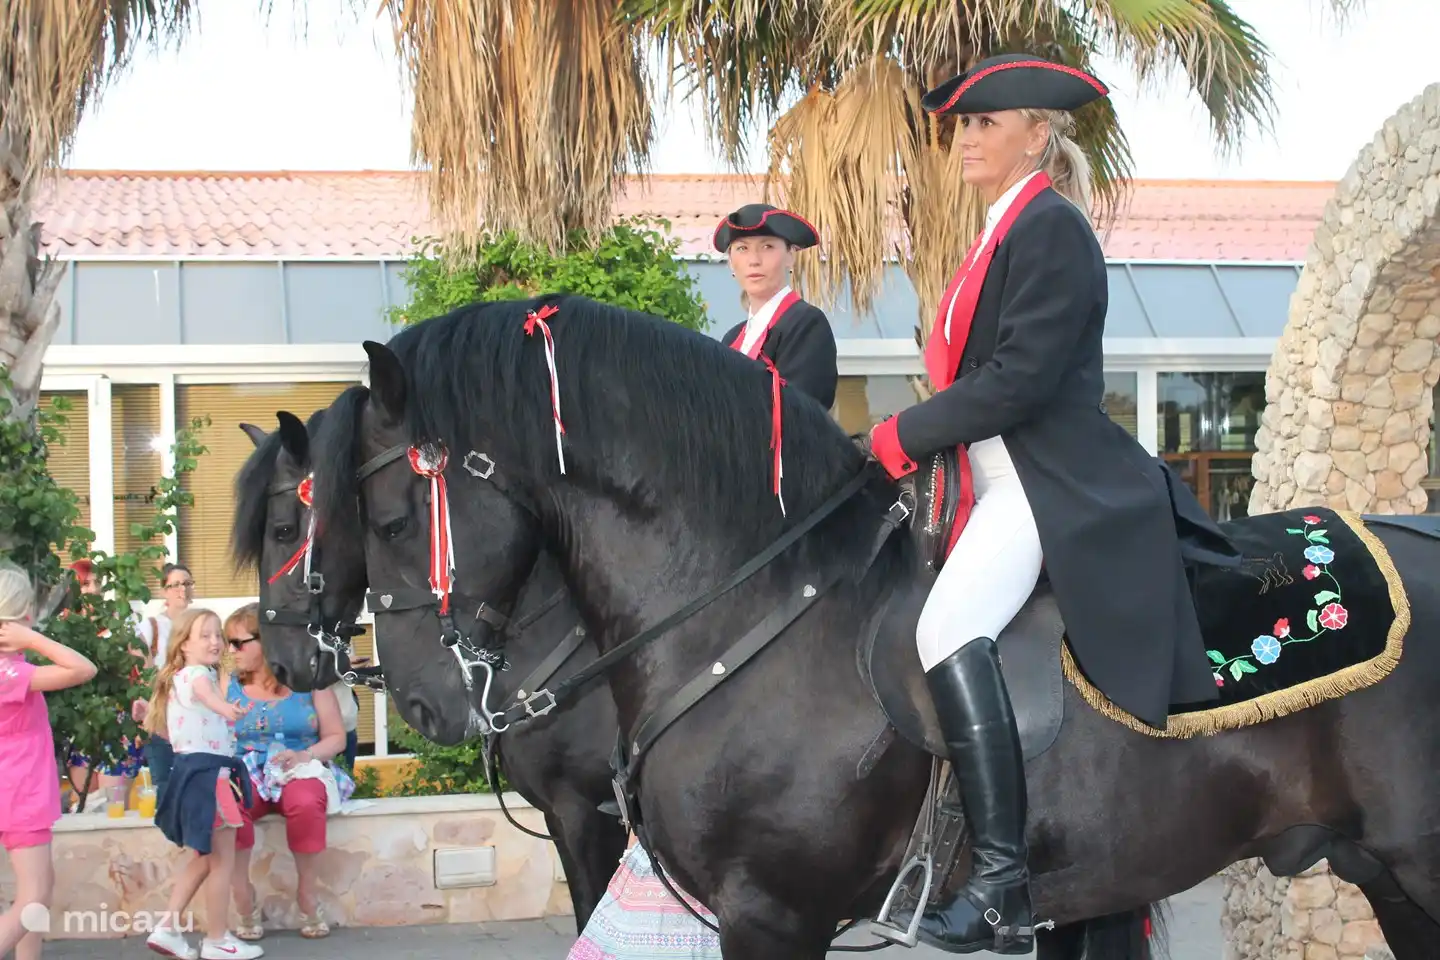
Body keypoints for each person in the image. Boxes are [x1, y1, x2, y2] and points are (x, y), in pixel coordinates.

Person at [864, 54, 1241, 953]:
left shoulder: (1051, 229)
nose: (966, 138)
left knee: (947, 630)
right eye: (961, 125)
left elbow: (1020, 380)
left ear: (1037, 134)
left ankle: (999, 881)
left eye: (986, 123)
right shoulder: (1000, 229)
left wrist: (895, 438)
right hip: (987, 476)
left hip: (1044, 478)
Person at [224, 603, 352, 942]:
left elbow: (336, 737)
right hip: (245, 766)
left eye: (239, 642)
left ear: (266, 642)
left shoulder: (308, 682)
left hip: (299, 764)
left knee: (307, 802)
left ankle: (307, 894)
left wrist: (303, 755)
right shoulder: (225, 686)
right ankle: (243, 894)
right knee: (229, 806)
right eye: (228, 642)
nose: (230, 651)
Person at [144, 607, 261, 960]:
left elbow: (176, 728)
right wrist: (227, 709)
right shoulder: (197, 675)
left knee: (203, 859)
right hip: (210, 779)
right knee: (222, 863)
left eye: (217, 635)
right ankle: (217, 939)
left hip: (193, 775)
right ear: (183, 645)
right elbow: (207, 696)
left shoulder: (179, 677)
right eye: (205, 635)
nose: (215, 642)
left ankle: (167, 927)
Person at [0, 562, 98, 960]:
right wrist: (32, 638)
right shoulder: (10, 672)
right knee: (34, 895)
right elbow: (83, 668)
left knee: (35, 891)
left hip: (19, 789)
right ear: (22, 614)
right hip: (19, 791)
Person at [714, 203, 838, 409]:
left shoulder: (806, 324)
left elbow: (800, 411)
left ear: (790, 256)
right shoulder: (732, 339)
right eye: (742, 248)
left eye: (767, 247)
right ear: (730, 263)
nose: (754, 260)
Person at [63, 559, 146, 812]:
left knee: (113, 804)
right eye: (85, 583)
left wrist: (143, 707)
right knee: (84, 802)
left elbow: (144, 663)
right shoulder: (65, 624)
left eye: (97, 583)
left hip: (119, 718)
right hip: (80, 722)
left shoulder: (120, 616)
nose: (93, 589)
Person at [136, 563, 195, 806]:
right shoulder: (151, 626)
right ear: (164, 591)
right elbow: (141, 665)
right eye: (176, 584)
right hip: (162, 712)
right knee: (165, 779)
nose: (183, 589)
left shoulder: (200, 623)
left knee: (193, 780)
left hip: (193, 713)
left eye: (187, 583)